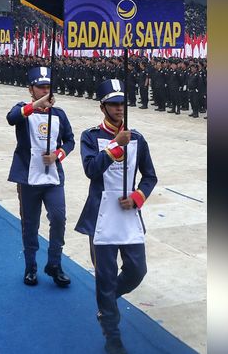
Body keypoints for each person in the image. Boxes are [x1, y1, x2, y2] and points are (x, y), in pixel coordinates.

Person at [76, 79, 158, 354]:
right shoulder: (89, 137)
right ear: (102, 107)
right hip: (101, 218)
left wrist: (138, 197)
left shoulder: (139, 138)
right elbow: (91, 169)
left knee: (137, 271)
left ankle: (107, 300)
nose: (119, 108)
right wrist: (114, 147)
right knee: (105, 277)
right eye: (113, 103)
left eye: (122, 103)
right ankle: (112, 333)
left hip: (129, 215)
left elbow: (149, 176)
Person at [6, 66, 75, 288]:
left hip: (52, 177)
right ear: (31, 89)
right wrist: (37, 105)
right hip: (28, 178)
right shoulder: (24, 110)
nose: (45, 90)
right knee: (30, 223)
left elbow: (70, 140)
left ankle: (54, 263)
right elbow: (12, 118)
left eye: (48, 87)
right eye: (40, 87)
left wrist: (58, 154)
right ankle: (30, 266)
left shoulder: (59, 114)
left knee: (58, 218)